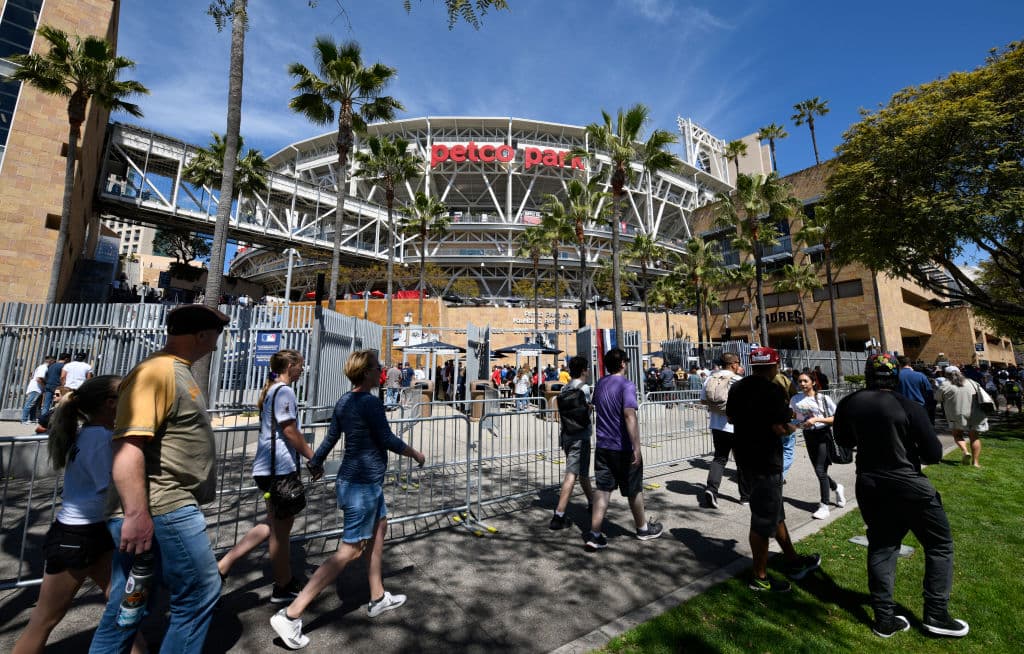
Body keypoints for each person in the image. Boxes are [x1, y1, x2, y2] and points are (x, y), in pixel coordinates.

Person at [89, 304, 230, 654]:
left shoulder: (175, 371)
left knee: (132, 602)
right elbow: (129, 446)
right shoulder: (157, 372)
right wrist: (136, 515)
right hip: (164, 505)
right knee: (200, 590)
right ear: (201, 335)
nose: (217, 342)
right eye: (217, 334)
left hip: (161, 506)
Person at [270, 350, 425, 650]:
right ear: (366, 373)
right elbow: (387, 439)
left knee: (380, 529)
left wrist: (316, 463)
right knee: (350, 551)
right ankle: (291, 614)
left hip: (359, 483)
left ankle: (377, 596)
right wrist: (415, 453)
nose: (381, 372)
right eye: (377, 368)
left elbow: (330, 438)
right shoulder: (369, 402)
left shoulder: (343, 401)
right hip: (362, 484)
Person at [834, 354, 968, 638]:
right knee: (939, 544)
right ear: (895, 376)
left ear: (868, 375)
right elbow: (934, 453)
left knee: (882, 545)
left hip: (869, 483)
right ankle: (936, 614)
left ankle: (884, 618)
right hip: (908, 483)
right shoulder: (908, 406)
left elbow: (844, 441)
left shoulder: (849, 403)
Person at [13, 376, 146, 654]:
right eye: (128, 395)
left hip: (94, 531)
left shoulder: (90, 434)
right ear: (112, 404)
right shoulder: (102, 439)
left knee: (124, 609)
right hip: (78, 535)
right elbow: (109, 485)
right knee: (45, 620)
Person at [217, 350, 316, 602]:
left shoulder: (272, 390)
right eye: (300, 366)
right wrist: (311, 456)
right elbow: (289, 430)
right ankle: (283, 585)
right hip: (279, 469)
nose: (302, 370)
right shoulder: (284, 391)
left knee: (272, 523)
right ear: (290, 366)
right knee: (280, 533)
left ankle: (223, 565)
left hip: (268, 468)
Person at [727, 347, 821, 592]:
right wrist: (797, 425)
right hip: (765, 460)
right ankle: (759, 577)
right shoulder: (772, 390)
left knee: (774, 512)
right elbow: (781, 428)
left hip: (745, 457)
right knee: (762, 519)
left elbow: (731, 418)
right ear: (774, 366)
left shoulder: (737, 387)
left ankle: (792, 560)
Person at [583, 348, 662, 549]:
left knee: (603, 489)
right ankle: (642, 528)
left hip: (603, 445)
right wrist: (636, 446)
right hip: (623, 447)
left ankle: (595, 533)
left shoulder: (601, 383)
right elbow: (629, 415)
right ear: (623, 364)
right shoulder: (627, 385)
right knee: (634, 489)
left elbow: (594, 407)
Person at [790, 372, 845, 520]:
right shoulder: (795, 399)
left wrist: (816, 419)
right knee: (819, 470)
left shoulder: (823, 398)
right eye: (799, 381)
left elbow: (836, 418)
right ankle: (836, 487)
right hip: (808, 436)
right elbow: (794, 416)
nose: (802, 384)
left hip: (823, 435)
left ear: (813, 382)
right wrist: (795, 423)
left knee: (820, 470)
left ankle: (824, 505)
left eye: (805, 381)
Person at [549, 356, 595, 530]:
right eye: (587, 368)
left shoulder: (565, 388)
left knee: (582, 471)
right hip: (580, 436)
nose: (588, 371)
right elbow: (585, 414)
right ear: (584, 370)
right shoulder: (584, 389)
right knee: (571, 473)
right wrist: (590, 408)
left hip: (567, 435)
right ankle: (559, 515)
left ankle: (592, 502)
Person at [702, 353, 749, 508]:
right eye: (738, 362)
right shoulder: (738, 380)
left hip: (716, 425)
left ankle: (711, 489)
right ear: (733, 364)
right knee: (742, 461)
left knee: (719, 458)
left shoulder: (710, 378)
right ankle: (745, 496)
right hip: (737, 426)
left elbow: (704, 400)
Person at [935, 366, 988, 467]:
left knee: (957, 434)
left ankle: (965, 451)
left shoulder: (945, 385)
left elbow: (937, 397)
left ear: (946, 374)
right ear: (960, 372)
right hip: (975, 412)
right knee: (975, 437)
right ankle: (975, 462)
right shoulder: (971, 382)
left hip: (956, 414)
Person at [772, 368, 798, 479]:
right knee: (787, 449)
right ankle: (779, 475)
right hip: (786, 418)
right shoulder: (782, 379)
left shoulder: (762, 381)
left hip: (772, 419)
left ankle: (774, 474)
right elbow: (794, 395)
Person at [22, 355, 53, 424]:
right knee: (30, 403)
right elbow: (38, 379)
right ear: (50, 361)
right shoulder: (44, 368)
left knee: (34, 404)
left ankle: (32, 418)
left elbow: (33, 376)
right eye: (53, 361)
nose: (53, 363)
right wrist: (45, 386)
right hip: (36, 388)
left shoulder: (41, 367)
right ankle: (24, 419)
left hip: (37, 388)